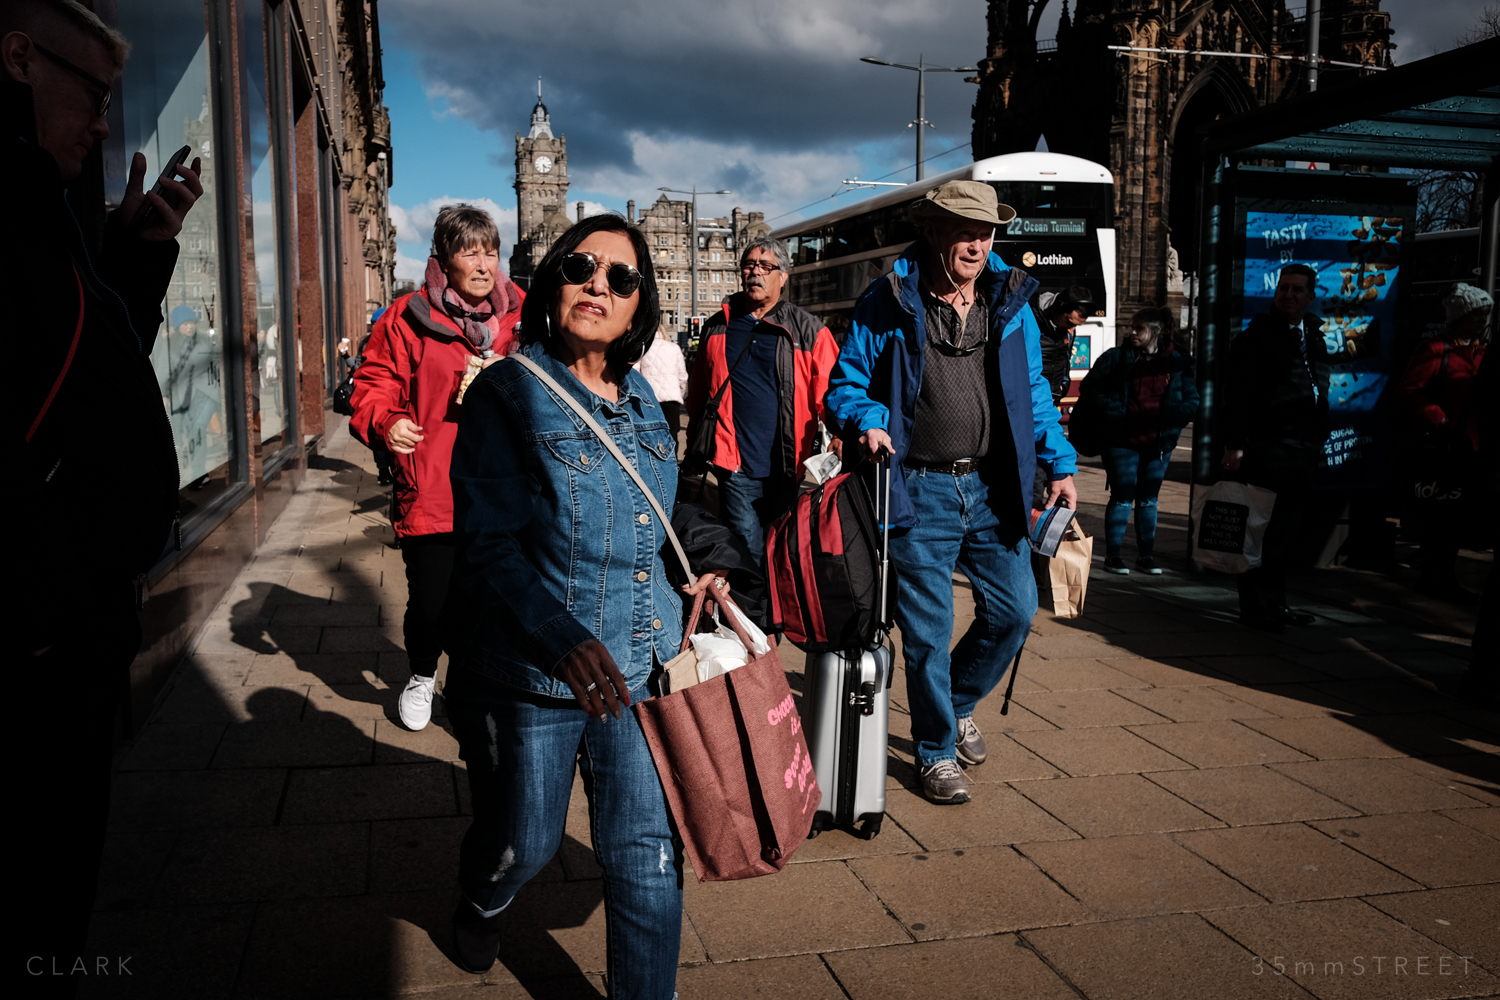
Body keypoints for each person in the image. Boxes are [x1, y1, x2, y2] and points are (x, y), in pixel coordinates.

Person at [444, 213, 726, 993]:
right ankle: (483, 895)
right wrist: (560, 638)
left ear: (640, 307)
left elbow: (662, 518)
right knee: (525, 845)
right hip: (541, 673)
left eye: (621, 277)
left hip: (642, 666)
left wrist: (704, 567)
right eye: (581, 267)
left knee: (645, 855)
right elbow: (489, 543)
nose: (598, 283)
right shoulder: (508, 391)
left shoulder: (642, 399)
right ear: (550, 284)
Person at [6, 0, 203, 985]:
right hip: (43, 641)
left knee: (62, 885)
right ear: (18, 58)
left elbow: (90, 367)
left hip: (72, 626)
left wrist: (137, 250)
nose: (101, 123)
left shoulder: (45, 214)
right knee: (39, 894)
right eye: (93, 93)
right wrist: (61, 612)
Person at [826, 181, 1079, 805]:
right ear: (935, 229)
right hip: (920, 489)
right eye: (965, 229)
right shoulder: (888, 300)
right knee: (929, 633)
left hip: (994, 489)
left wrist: (1060, 463)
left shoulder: (1010, 298)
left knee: (1015, 612)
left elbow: (1034, 396)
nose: (978, 242)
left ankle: (959, 702)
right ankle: (936, 751)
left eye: (987, 230)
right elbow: (844, 383)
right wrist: (868, 419)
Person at [349, 204, 523, 731]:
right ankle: (423, 674)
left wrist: (512, 371)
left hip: (506, 486)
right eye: (469, 251)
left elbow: (553, 375)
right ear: (443, 260)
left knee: (497, 599)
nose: (483, 263)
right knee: (432, 604)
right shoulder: (407, 316)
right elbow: (372, 384)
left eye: (490, 251)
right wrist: (387, 422)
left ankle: (475, 685)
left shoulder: (521, 315)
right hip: (434, 485)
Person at [685, 236, 840, 558]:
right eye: (749, 265)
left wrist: (839, 433)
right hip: (732, 459)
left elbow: (832, 391)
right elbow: (700, 390)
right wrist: (696, 443)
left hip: (786, 461)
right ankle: (755, 606)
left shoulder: (808, 330)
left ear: (783, 276)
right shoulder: (717, 326)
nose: (755, 272)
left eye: (766, 266)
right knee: (747, 542)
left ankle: (771, 603)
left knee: (778, 543)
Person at [1221, 263, 1330, 633]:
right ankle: (1254, 607)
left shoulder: (1313, 335)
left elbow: (1318, 387)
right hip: (1266, 451)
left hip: (1301, 452)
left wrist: (1318, 436)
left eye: (1298, 290)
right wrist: (1235, 445)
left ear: (1310, 297)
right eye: (1284, 288)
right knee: (1257, 534)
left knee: (1285, 536)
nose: (1289, 295)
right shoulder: (1255, 339)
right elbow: (1236, 397)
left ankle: (1276, 603)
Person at [1076, 307, 1200, 574]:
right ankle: (1113, 556)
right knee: (1122, 496)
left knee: (1148, 499)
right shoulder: (1117, 357)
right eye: (1131, 327)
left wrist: (1176, 420)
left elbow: (1192, 398)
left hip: (1159, 444)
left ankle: (1146, 556)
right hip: (1121, 441)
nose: (1131, 332)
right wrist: (1112, 410)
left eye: (1138, 329)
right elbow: (1089, 388)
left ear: (1155, 332)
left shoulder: (1176, 361)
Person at [1395, 282, 1489, 598]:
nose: (1483, 320)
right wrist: (1440, 420)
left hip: (1472, 446)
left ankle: (1442, 575)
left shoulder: (1482, 351)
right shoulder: (1435, 349)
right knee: (1441, 516)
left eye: (1486, 314)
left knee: (1457, 518)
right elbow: (1409, 391)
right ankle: (1436, 576)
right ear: (1457, 317)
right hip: (1443, 445)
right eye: (1477, 314)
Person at [1033, 285, 1096, 406]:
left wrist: (1063, 384)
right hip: (1030, 399)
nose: (1072, 331)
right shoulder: (1030, 318)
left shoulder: (1068, 330)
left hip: (1051, 399)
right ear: (1058, 308)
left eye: (1076, 326)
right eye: (1069, 322)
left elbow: (1065, 359)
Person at [633, 326, 689, 450]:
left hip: (650, 400)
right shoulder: (674, 348)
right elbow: (682, 376)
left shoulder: (643, 348)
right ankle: (673, 465)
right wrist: (679, 393)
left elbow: (635, 374)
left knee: (651, 435)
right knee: (672, 434)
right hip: (672, 399)